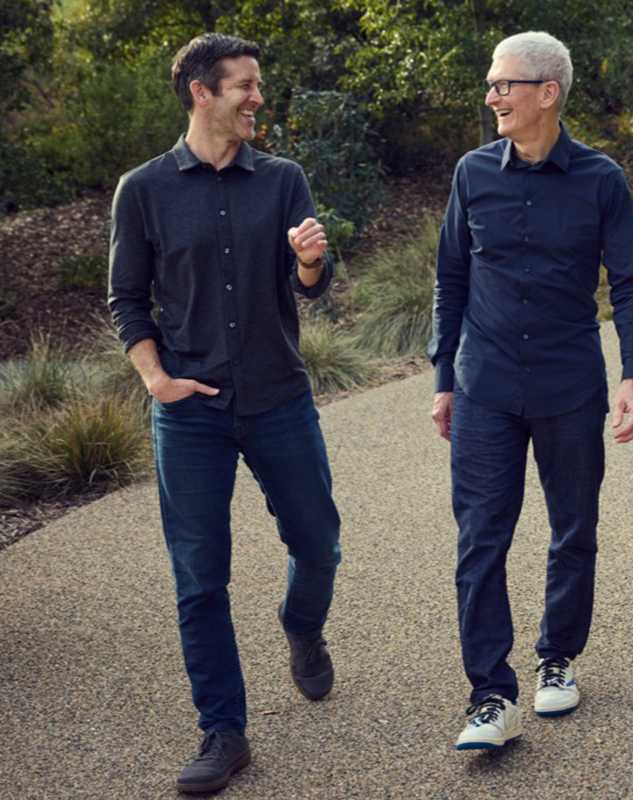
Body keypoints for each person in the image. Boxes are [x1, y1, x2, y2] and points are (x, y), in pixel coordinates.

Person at [108, 32, 342, 794]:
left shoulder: (283, 180)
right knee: (199, 579)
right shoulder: (142, 190)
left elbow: (311, 283)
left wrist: (310, 259)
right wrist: (155, 378)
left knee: (319, 543)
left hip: (278, 397)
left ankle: (302, 627)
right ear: (201, 92)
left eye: (257, 84)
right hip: (191, 413)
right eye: (243, 85)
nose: (257, 99)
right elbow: (126, 299)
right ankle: (224, 731)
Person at [428, 30, 633, 751]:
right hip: (485, 386)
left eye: (504, 85)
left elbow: (631, 283)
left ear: (547, 93)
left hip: (567, 384)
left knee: (572, 528)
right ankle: (489, 697)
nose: (492, 96)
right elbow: (451, 280)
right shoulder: (472, 173)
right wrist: (443, 381)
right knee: (480, 541)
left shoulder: (600, 179)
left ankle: (558, 657)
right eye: (491, 85)